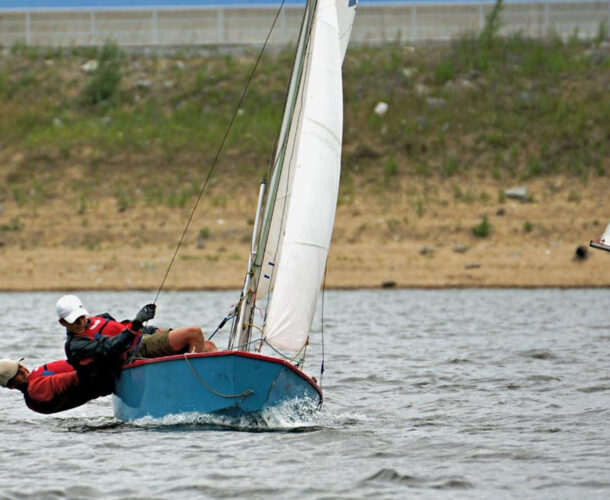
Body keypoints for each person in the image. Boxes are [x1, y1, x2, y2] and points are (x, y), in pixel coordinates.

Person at [58, 295, 217, 377]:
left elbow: (123, 328)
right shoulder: (76, 346)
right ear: (63, 323)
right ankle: (192, 386)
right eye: (74, 320)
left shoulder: (100, 319)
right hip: (134, 353)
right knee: (194, 334)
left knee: (208, 346)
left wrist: (152, 331)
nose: (80, 322)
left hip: (142, 340)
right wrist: (138, 322)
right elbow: (113, 346)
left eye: (81, 316)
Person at [0, 358, 110, 414]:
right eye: (16, 373)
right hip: (101, 375)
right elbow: (71, 379)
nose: (23, 370)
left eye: (19, 366)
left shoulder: (35, 380)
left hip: (95, 371)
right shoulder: (36, 389)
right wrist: (99, 364)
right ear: (11, 385)